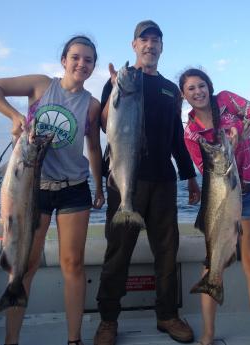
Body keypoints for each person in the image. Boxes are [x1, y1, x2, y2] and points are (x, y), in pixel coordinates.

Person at [0, 35, 105, 345]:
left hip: (74, 188)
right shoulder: (40, 85)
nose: (81, 64)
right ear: (64, 60)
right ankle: (12, 339)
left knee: (73, 264)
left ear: (93, 66)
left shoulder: (92, 105)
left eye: (88, 60)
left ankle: (74, 339)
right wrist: (15, 115)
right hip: (33, 189)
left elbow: (94, 148)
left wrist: (99, 186)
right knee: (26, 265)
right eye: (75, 57)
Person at [93, 20, 200, 345]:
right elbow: (104, 128)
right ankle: (108, 320)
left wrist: (190, 176)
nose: (150, 45)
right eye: (144, 40)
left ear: (161, 47)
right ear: (134, 45)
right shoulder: (120, 81)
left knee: (167, 251)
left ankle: (167, 315)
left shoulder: (170, 89)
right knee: (118, 252)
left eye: (156, 40)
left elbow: (176, 138)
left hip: (164, 182)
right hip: (126, 179)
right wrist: (114, 90)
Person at [179, 68, 250, 345]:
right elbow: (205, 170)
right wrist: (229, 148)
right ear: (184, 96)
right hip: (219, 202)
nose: (198, 92)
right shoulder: (191, 134)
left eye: (201, 86)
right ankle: (208, 334)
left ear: (209, 86)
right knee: (212, 266)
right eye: (190, 89)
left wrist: (249, 128)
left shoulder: (228, 101)